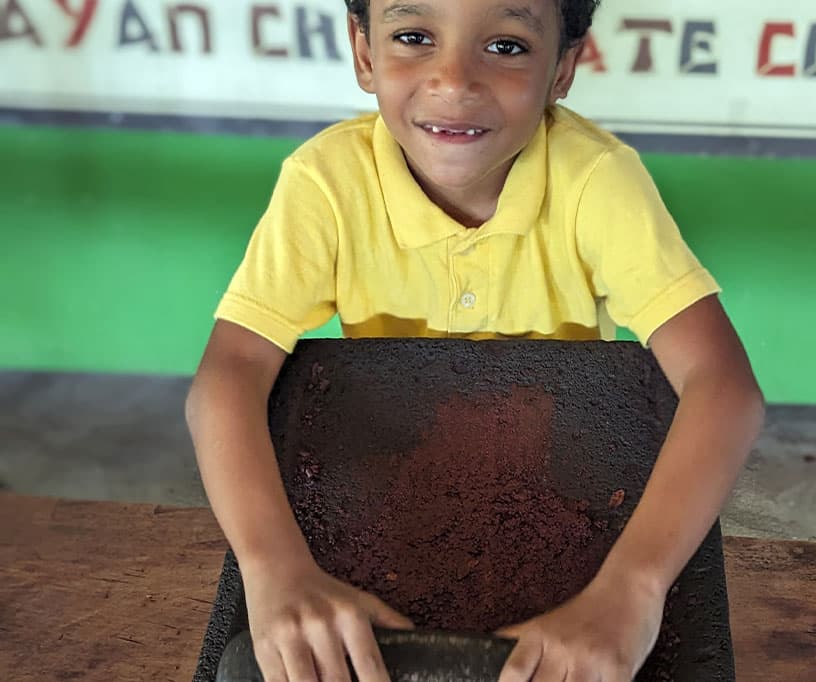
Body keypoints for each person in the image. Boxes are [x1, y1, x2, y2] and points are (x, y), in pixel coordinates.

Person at [185, 0, 764, 679]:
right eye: (413, 37)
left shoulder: (595, 182)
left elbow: (724, 387)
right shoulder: (326, 184)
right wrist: (272, 565)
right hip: (391, 489)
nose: (454, 81)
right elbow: (229, 373)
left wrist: (632, 589)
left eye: (508, 47)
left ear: (563, 70)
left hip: (565, 483)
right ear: (365, 52)